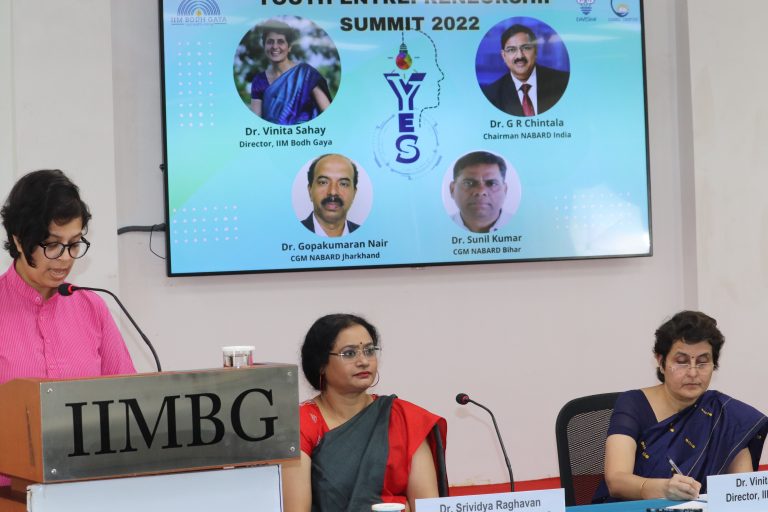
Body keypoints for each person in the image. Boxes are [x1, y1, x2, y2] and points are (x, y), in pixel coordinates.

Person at [0, 170, 136, 487]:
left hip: (89, 489)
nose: (65, 259)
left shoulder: (92, 307)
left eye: (74, 244)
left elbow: (128, 402)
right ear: (19, 239)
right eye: (52, 245)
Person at [594, 311, 768, 502]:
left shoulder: (726, 416)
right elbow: (616, 480)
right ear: (661, 362)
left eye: (702, 362)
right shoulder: (633, 404)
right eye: (682, 362)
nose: (693, 373)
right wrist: (661, 488)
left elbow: (744, 496)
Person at [282, 314, 447, 512]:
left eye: (369, 351)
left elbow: (427, 507)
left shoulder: (403, 418)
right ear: (321, 364)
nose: (363, 361)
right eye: (349, 353)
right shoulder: (300, 423)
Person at [250, 19, 332, 125]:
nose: (275, 46)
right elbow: (256, 122)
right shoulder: (259, 80)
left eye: (280, 41)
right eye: (270, 42)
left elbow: (328, 113)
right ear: (264, 46)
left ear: (289, 47)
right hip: (273, 135)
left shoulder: (306, 74)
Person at [481, 24, 569, 117]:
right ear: (503, 56)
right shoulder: (491, 95)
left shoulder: (564, 82)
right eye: (511, 50)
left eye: (526, 48)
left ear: (535, 51)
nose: (520, 56)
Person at [449, 151, 511, 233]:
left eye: (491, 183)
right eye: (468, 183)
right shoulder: (438, 228)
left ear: (505, 190)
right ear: (452, 189)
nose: (481, 191)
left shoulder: (521, 227)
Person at [301, 154, 361, 237]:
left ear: (354, 193)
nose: (333, 192)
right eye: (323, 182)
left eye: (343, 184)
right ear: (310, 190)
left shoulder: (367, 235)